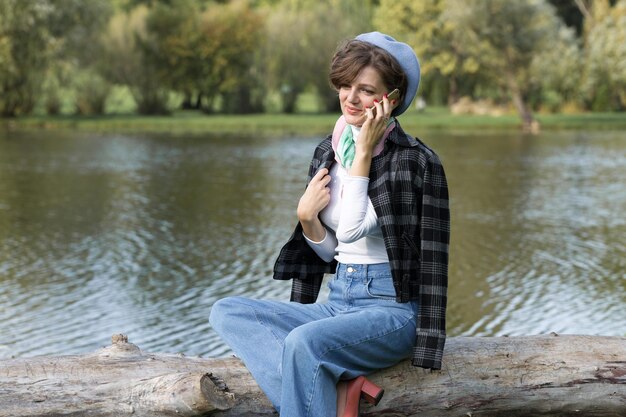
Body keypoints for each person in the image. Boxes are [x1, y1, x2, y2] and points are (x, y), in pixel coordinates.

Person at [210, 31, 450, 417]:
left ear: (391, 99)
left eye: (366, 89)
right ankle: (338, 395)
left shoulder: (413, 163)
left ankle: (322, 389)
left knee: (304, 344)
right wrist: (307, 221)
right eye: (345, 85)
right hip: (339, 301)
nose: (350, 98)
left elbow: (358, 229)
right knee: (227, 312)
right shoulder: (331, 149)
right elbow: (337, 249)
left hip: (393, 310)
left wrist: (363, 162)